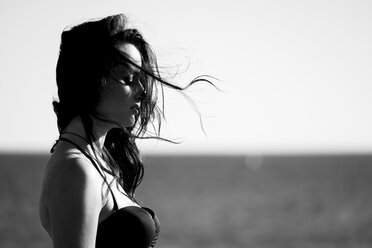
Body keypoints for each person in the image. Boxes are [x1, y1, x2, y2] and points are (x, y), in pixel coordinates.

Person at [39, 13, 214, 248]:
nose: (143, 91)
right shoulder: (75, 169)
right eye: (128, 79)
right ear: (90, 80)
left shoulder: (93, 160)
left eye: (141, 79)